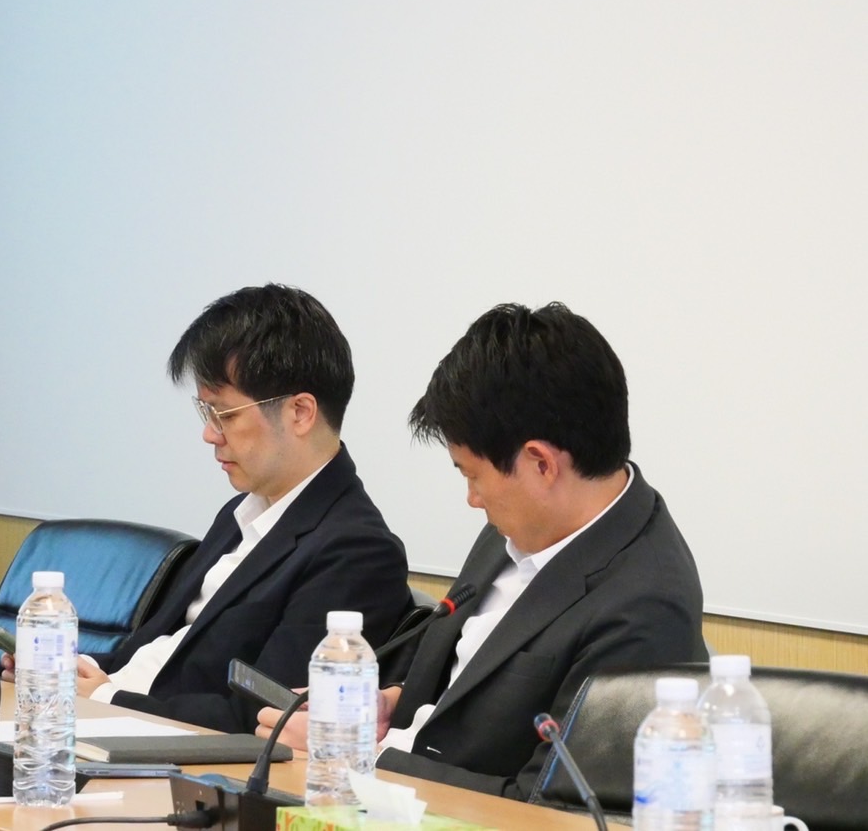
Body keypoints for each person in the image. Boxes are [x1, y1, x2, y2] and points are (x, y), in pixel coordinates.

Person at [257, 301, 708, 801]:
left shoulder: (644, 606)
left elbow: (548, 805)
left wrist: (358, 758)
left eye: (472, 475)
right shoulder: (523, 521)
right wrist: (389, 704)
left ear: (541, 464)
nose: (471, 499)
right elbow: (474, 678)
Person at [72, 284, 411, 733]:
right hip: (113, 718)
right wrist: (70, 668)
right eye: (206, 413)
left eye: (225, 415)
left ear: (300, 412)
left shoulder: (356, 551)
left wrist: (107, 699)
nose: (209, 434)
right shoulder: (240, 512)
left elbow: (264, 714)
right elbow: (155, 652)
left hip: (170, 749)